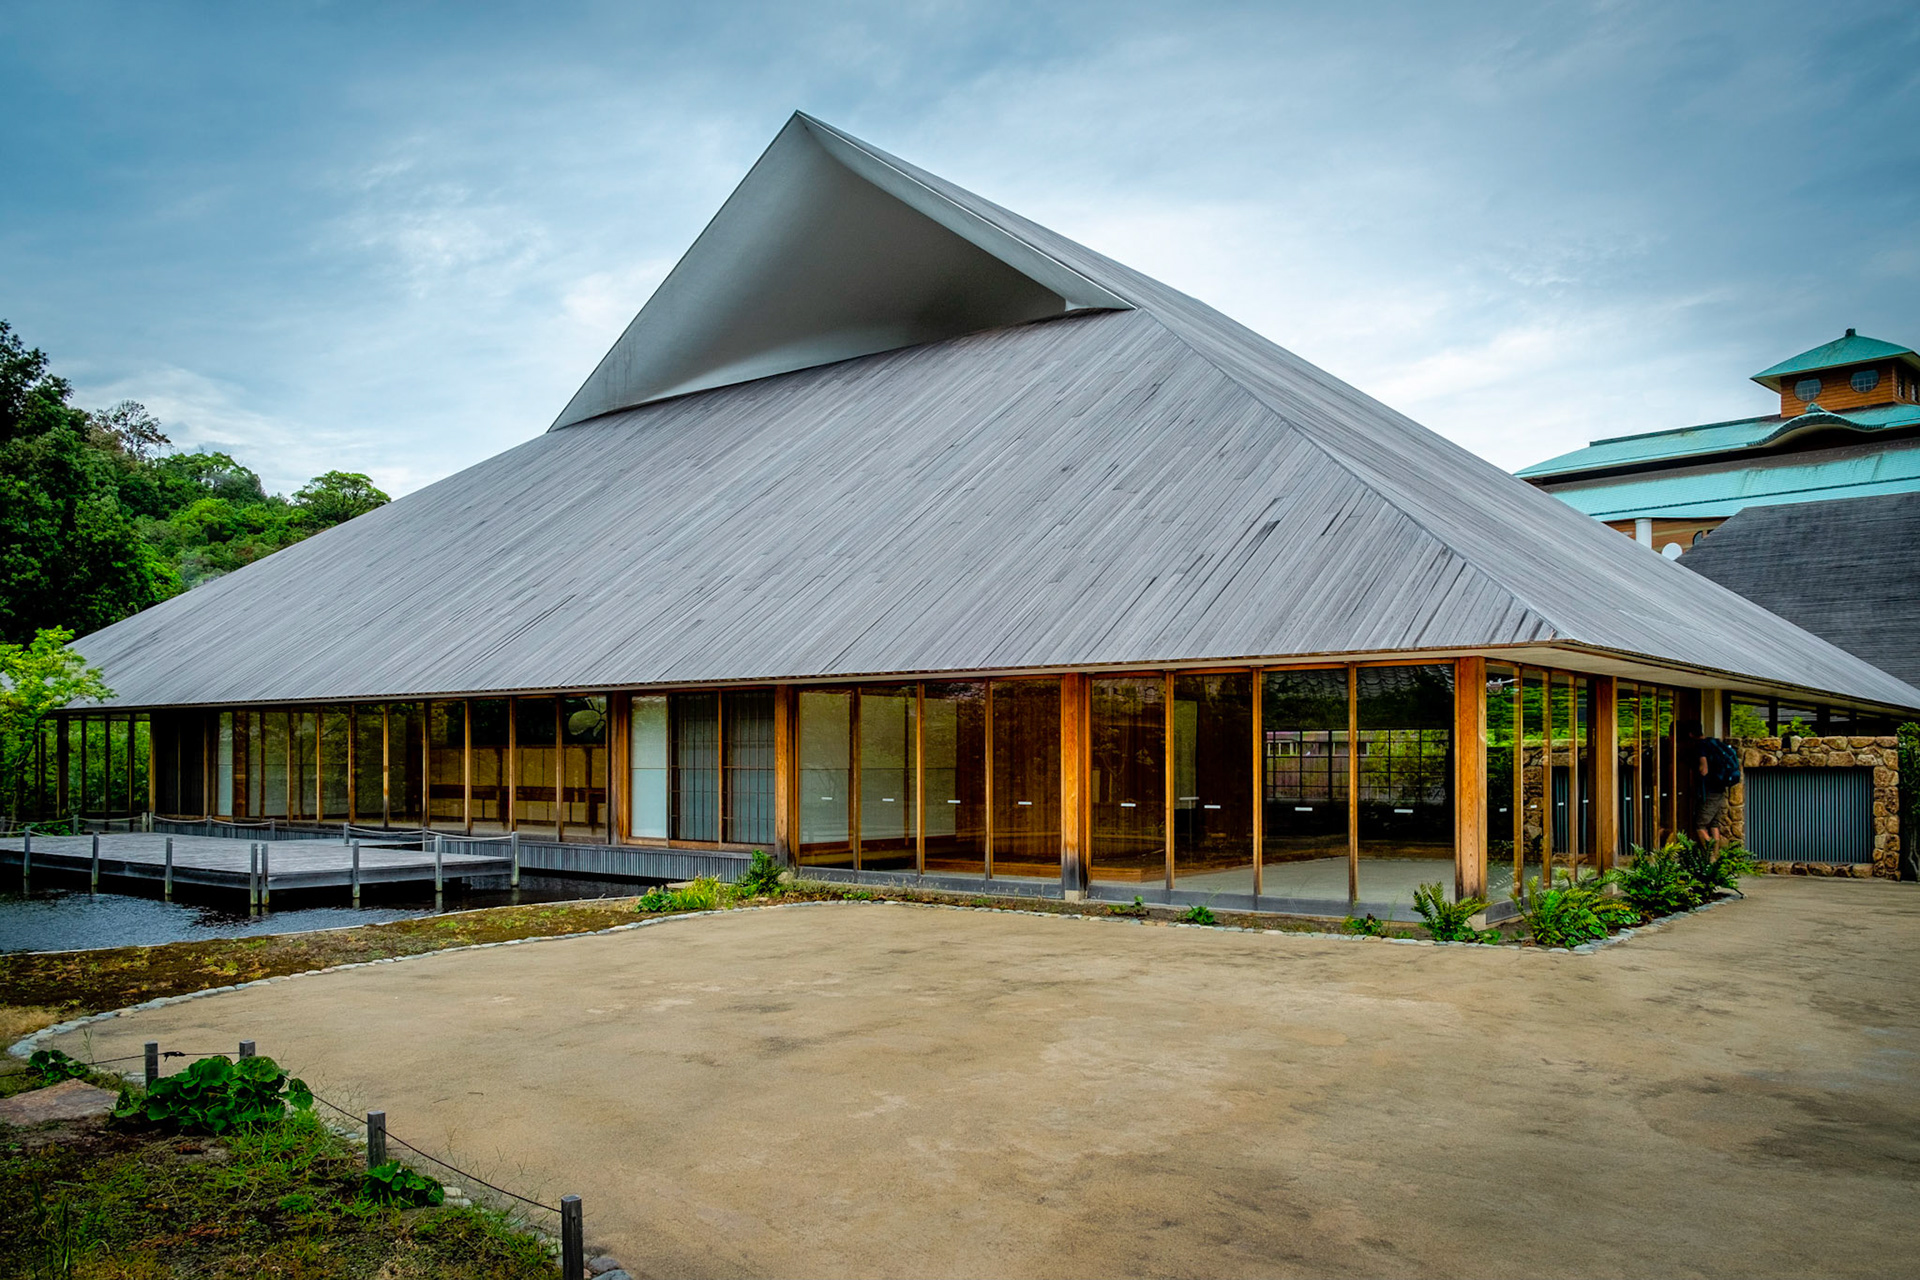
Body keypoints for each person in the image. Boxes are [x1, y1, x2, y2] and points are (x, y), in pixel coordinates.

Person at [1681, 720, 1735, 849]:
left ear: (1690, 734)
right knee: (1714, 824)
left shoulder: (1701, 746)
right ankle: (1716, 857)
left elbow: (1703, 769)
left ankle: (1709, 855)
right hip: (1720, 788)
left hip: (1709, 790)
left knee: (1700, 825)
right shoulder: (1714, 742)